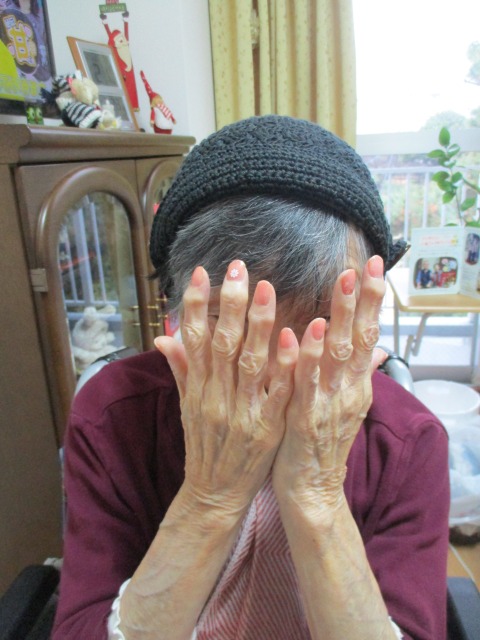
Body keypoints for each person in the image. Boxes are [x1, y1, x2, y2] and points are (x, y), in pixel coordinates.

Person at [52, 116, 450, 640]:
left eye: (318, 328)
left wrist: (317, 496)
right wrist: (210, 496)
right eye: (237, 327)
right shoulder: (113, 414)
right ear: (178, 314)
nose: (275, 370)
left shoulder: (408, 440)